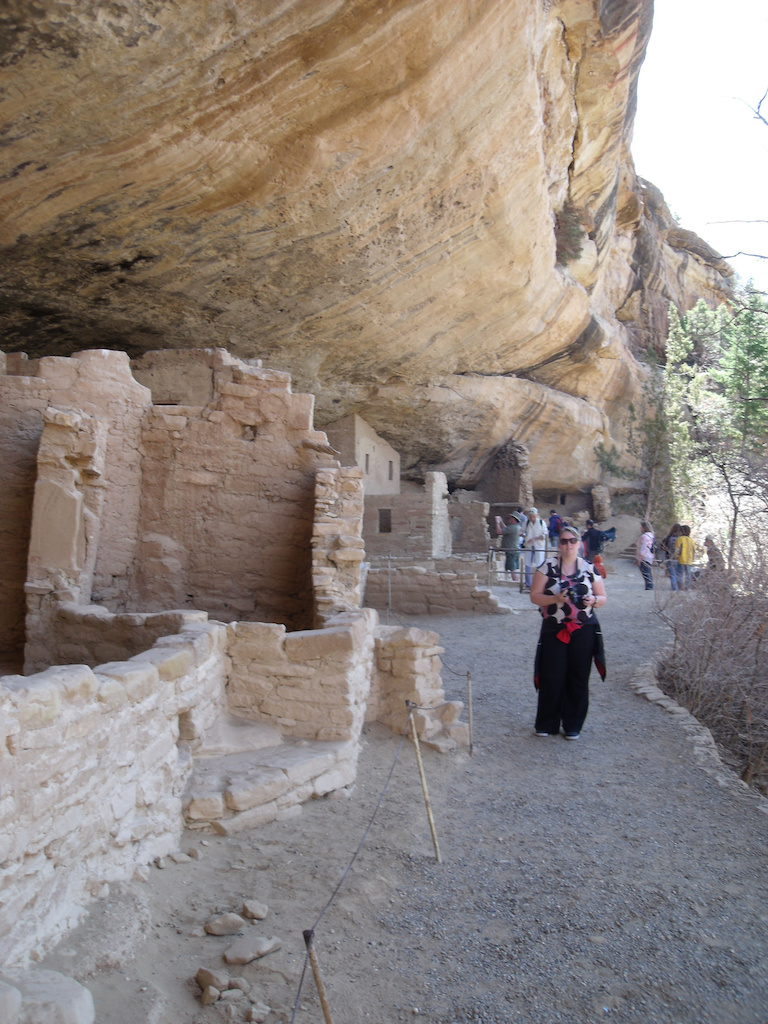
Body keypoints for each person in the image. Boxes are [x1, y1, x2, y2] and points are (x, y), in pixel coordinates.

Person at [530, 523, 607, 739]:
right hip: (555, 628)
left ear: (579, 543)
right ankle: (547, 723)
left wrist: (593, 600)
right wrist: (555, 598)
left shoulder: (589, 568)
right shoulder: (547, 567)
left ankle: (573, 725)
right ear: (559, 544)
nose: (568, 545)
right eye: (564, 541)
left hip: (583, 629)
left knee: (578, 676)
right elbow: (534, 596)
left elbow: (602, 597)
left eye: (572, 541)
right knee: (552, 675)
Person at [523, 506, 548, 589]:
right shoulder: (526, 523)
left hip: (539, 545)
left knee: (539, 564)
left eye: (533, 516)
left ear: (536, 516)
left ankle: (539, 583)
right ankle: (528, 584)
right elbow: (521, 532)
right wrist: (526, 537)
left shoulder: (541, 523)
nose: (532, 518)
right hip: (529, 545)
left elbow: (545, 534)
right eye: (530, 517)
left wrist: (535, 539)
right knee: (527, 564)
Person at [495, 513, 522, 578]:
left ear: (513, 519)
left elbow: (499, 532)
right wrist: (501, 521)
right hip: (515, 550)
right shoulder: (516, 527)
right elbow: (506, 529)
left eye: (510, 518)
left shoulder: (513, 528)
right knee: (514, 568)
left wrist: (497, 522)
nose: (509, 519)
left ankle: (515, 581)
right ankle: (516, 580)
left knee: (513, 569)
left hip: (511, 551)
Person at [660, 523, 682, 591]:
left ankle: (674, 589)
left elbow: (662, 546)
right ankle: (679, 588)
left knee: (672, 575)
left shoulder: (668, 537)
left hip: (669, 558)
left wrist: (667, 550)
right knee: (678, 574)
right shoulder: (681, 538)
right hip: (679, 558)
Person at [674, 525, 695, 590]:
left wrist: (676, 556)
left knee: (679, 574)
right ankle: (687, 587)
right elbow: (693, 550)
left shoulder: (679, 539)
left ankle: (680, 587)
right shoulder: (691, 540)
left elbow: (677, 549)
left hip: (681, 559)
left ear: (681, 531)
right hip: (689, 560)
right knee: (688, 575)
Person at [636, 520, 655, 590]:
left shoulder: (644, 537)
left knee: (646, 573)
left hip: (644, 557)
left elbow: (643, 548)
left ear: (644, 528)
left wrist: (640, 558)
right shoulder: (651, 536)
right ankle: (649, 586)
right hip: (650, 556)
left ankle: (649, 587)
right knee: (648, 572)